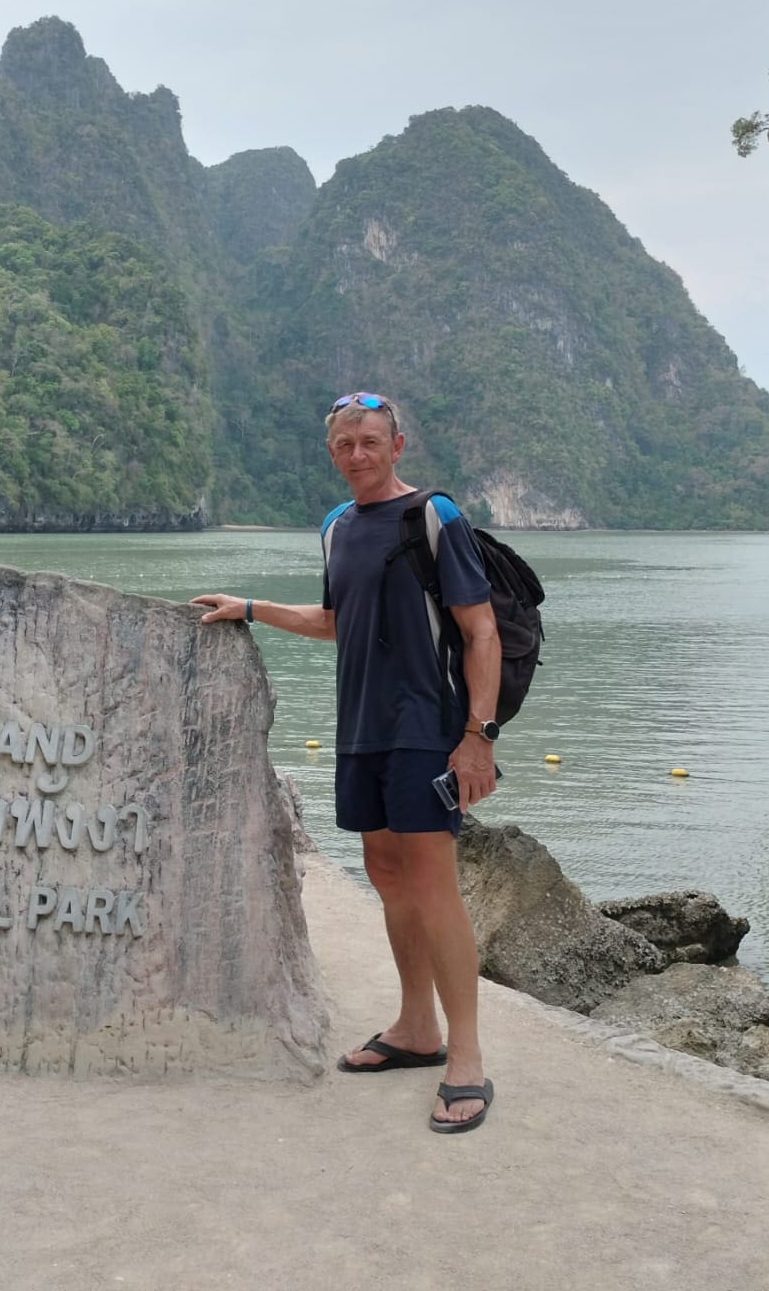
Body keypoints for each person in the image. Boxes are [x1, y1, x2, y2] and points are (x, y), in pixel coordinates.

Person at [192, 391, 502, 1134]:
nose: (357, 455)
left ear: (398, 445)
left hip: (426, 729)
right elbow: (333, 622)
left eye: (370, 441)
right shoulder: (336, 527)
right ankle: (415, 1029)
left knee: (433, 887)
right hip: (361, 729)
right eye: (344, 445)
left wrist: (478, 736)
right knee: (388, 877)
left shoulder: (434, 518)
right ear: (332, 453)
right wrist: (252, 606)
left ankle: (467, 1061)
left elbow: (480, 629)